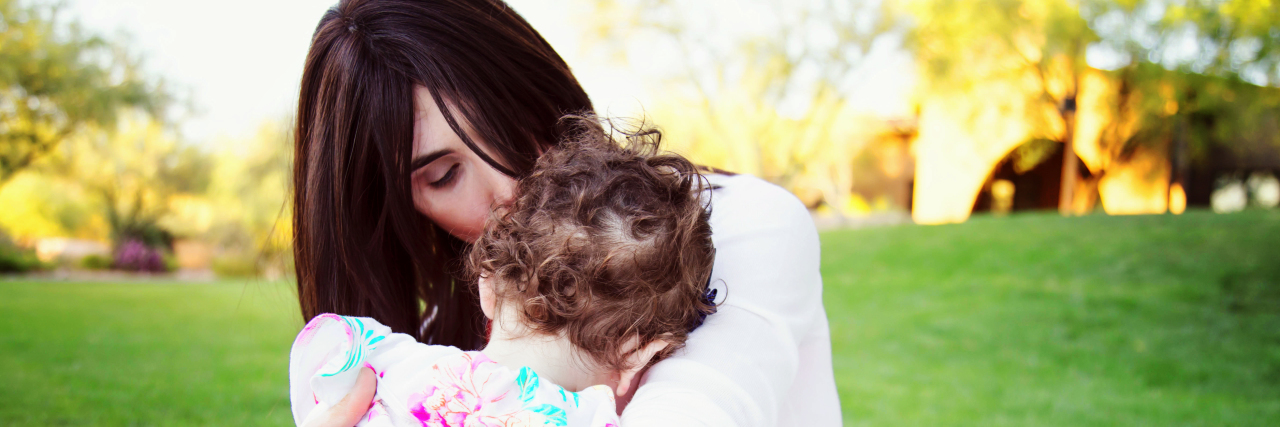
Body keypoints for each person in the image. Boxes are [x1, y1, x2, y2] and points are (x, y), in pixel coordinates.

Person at [292, 0, 841, 425]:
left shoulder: (738, 227)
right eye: (444, 176)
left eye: (508, 127)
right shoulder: (432, 343)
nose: (513, 188)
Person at [291, 123, 718, 426]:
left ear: (489, 286)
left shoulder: (392, 366)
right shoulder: (597, 421)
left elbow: (322, 345)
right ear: (638, 354)